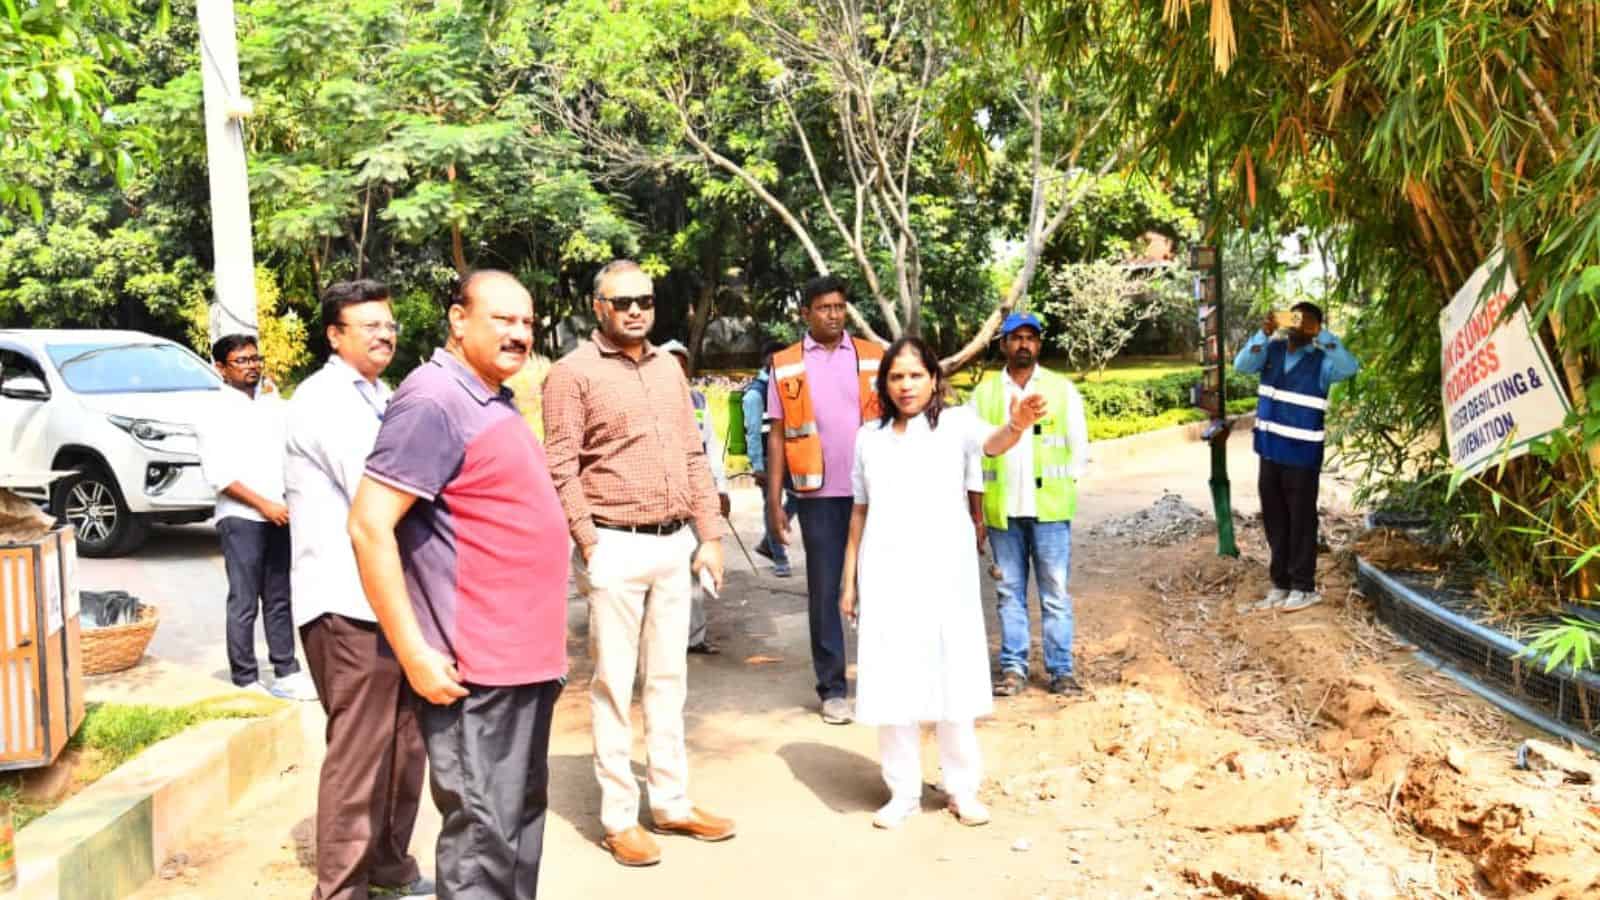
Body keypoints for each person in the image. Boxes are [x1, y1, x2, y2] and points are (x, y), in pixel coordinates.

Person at [348, 270, 570, 899]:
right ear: (457, 320)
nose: (518, 333)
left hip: (523, 666)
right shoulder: (433, 400)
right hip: (476, 673)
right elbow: (368, 528)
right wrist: (415, 652)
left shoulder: (489, 396)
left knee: (516, 833)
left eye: (526, 322)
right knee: (481, 846)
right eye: (502, 319)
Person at [542, 259, 736, 868]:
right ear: (598, 306)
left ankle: (673, 803)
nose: (634, 311)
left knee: (669, 681)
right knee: (611, 685)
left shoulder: (668, 371)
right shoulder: (571, 374)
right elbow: (560, 466)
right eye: (621, 301)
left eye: (645, 302)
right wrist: (590, 543)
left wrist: (709, 535)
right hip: (613, 543)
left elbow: (692, 453)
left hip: (674, 544)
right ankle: (620, 818)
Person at [840, 337, 1046, 829]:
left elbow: (994, 442)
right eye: (896, 377)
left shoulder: (955, 425)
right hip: (887, 573)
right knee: (895, 679)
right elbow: (858, 513)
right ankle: (903, 793)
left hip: (945, 573)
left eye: (915, 375)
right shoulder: (869, 437)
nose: (906, 385)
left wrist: (1017, 424)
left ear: (933, 379)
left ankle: (961, 788)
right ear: (884, 384)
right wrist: (848, 581)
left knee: (952, 673)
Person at [285, 279, 430, 900]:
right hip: (345, 603)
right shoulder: (324, 400)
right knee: (359, 751)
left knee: (405, 742)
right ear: (334, 335)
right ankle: (339, 889)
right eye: (367, 325)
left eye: (388, 323)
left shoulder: (378, 393)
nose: (384, 333)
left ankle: (390, 868)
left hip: (391, 599)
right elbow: (384, 487)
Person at [765, 275, 884, 725]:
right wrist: (775, 501)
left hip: (873, 494)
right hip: (817, 495)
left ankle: (880, 678)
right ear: (806, 314)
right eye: (824, 308)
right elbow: (777, 435)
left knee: (878, 586)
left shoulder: (871, 357)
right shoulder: (787, 364)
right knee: (825, 592)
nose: (834, 314)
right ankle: (833, 688)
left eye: (840, 306)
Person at [968, 312, 1090, 698]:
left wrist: (1065, 484)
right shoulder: (984, 395)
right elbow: (973, 456)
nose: (1023, 344)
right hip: (1003, 513)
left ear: (1039, 344)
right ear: (1003, 345)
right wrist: (977, 513)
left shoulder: (1060, 389)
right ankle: (1013, 668)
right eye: (1015, 338)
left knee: (1054, 593)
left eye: (1030, 338)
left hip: (1050, 512)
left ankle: (1061, 671)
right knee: (1009, 594)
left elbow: (1078, 448)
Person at [196, 333, 316, 701]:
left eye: (254, 358)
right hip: (242, 517)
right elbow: (218, 475)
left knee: (279, 597)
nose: (251, 366)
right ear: (221, 368)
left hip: (280, 514)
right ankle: (245, 677)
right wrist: (263, 505)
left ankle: (286, 669)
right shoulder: (213, 411)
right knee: (245, 600)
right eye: (241, 361)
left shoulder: (271, 406)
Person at [1233, 301, 1361, 612]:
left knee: (1301, 521)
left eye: (1306, 321)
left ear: (1315, 326)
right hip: (1270, 450)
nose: (1297, 324)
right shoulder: (1272, 350)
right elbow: (1241, 366)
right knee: (1275, 520)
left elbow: (1349, 367)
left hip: (1301, 456)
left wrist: (1323, 336)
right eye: (1294, 318)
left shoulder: (1322, 361)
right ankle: (1280, 583)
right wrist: (1262, 334)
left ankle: (1304, 586)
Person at [660, 339, 731, 655]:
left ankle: (695, 637)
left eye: (682, 363)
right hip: (663, 496)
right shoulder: (649, 401)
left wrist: (722, 488)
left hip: (696, 494)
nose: (677, 369)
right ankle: (661, 638)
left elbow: (711, 448)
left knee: (698, 563)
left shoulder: (698, 400)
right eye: (670, 362)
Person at [745, 340, 796, 577]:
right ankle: (779, 556)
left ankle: (768, 541)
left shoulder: (789, 385)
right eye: (774, 358)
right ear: (765, 361)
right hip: (767, 457)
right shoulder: (755, 394)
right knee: (771, 505)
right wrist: (757, 466)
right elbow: (753, 432)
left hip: (791, 455)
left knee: (799, 498)